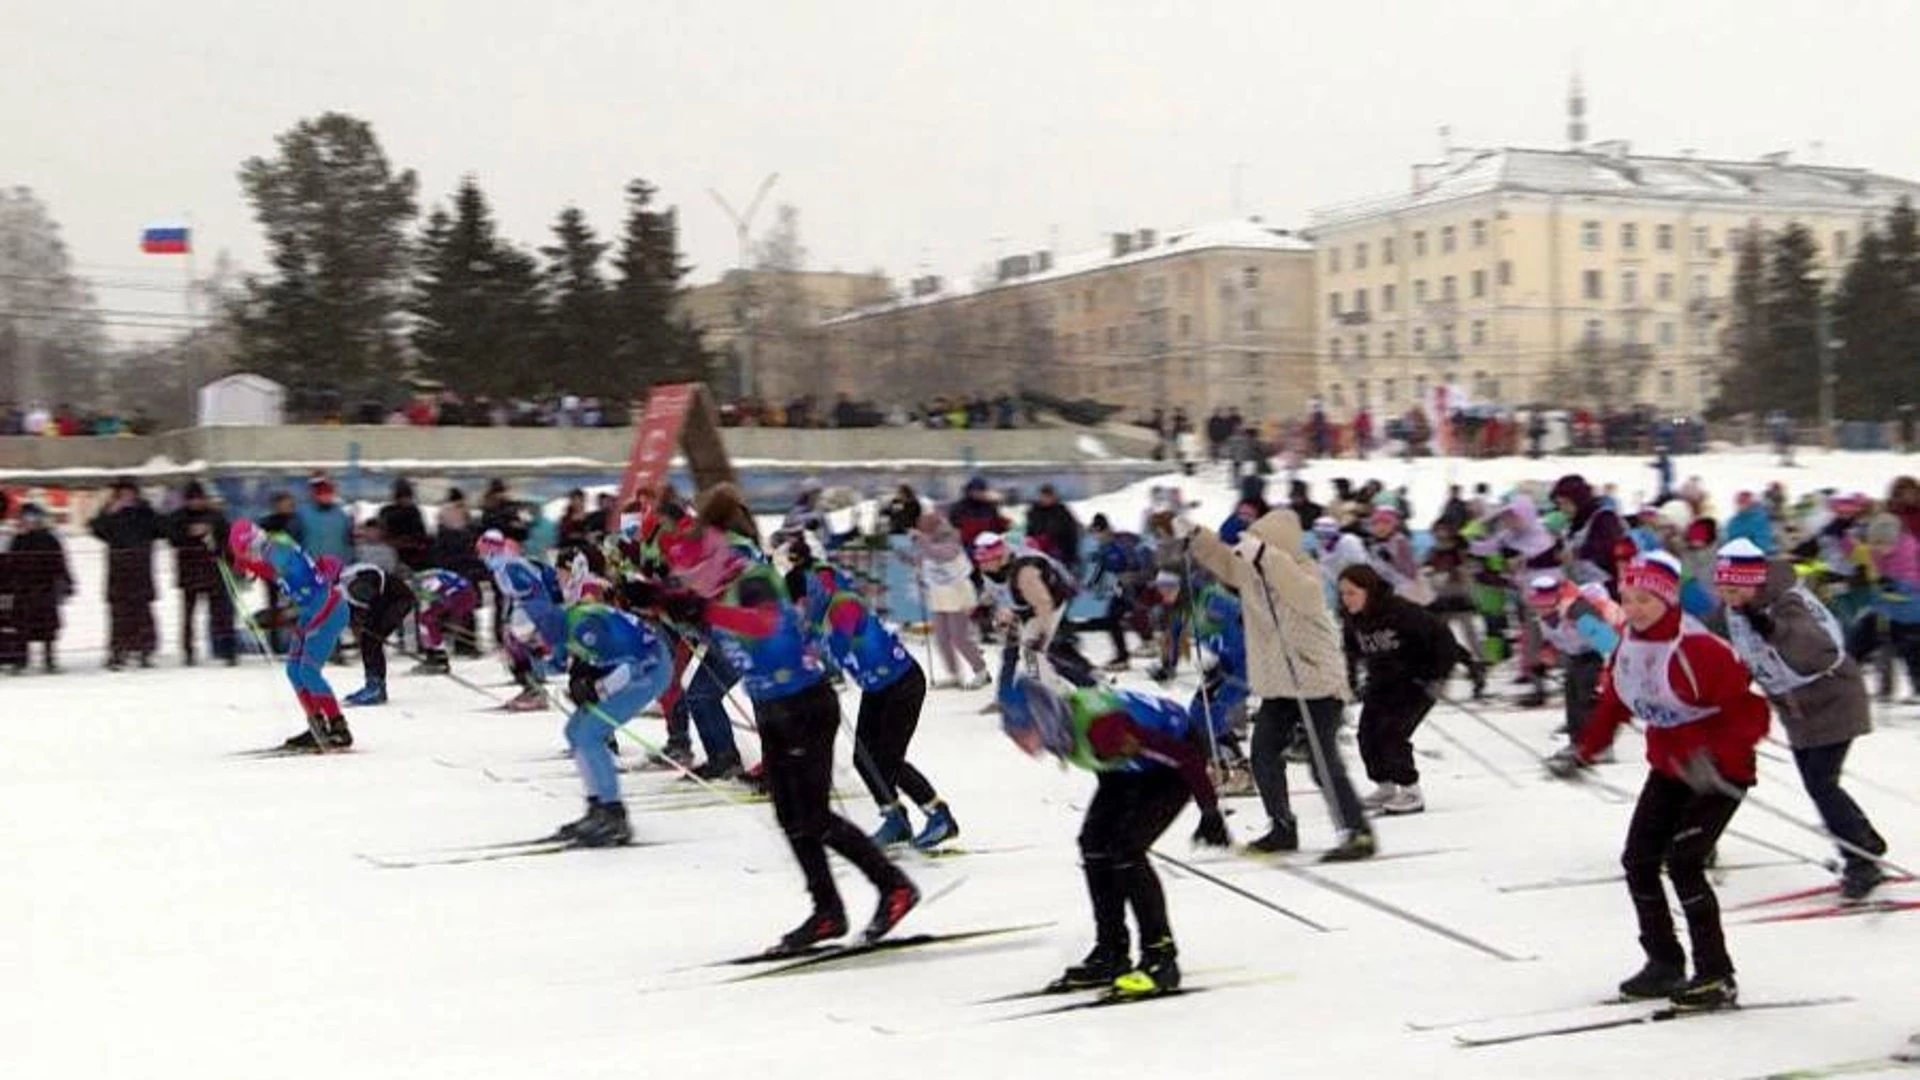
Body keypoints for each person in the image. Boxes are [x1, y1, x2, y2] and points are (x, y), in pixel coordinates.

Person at [659, 485, 918, 955]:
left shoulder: (752, 576)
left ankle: (893, 886)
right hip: (776, 707)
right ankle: (828, 912)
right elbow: (696, 609)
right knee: (789, 816)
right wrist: (654, 597)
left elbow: (766, 628)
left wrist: (703, 608)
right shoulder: (716, 579)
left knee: (813, 816)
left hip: (805, 706)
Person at [1547, 551, 1769, 1010]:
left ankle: (1715, 975)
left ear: (1668, 600)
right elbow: (1615, 703)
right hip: (1669, 767)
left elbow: (1749, 713)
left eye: (1645, 599)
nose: (1634, 608)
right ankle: (1664, 962)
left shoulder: (1698, 649)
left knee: (1685, 862)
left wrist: (1716, 758)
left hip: (1718, 774)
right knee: (1638, 860)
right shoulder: (1629, 643)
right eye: (1627, 599)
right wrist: (1583, 751)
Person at [1000, 674, 1229, 998]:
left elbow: (1184, 757)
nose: (1019, 743)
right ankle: (1111, 951)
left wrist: (1210, 812)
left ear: (1042, 718)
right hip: (1127, 766)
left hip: (1174, 763)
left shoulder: (1103, 729)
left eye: (1022, 731)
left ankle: (1161, 957)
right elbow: (1107, 763)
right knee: (1094, 844)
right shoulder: (1066, 729)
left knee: (1127, 850)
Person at [1181, 509, 1373, 861]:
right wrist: (1195, 536)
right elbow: (1223, 561)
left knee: (1321, 760)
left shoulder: (1304, 571)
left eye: (1259, 542)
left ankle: (1357, 832)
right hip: (1278, 684)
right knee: (1263, 754)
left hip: (1316, 682)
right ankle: (1281, 827)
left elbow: (1307, 595)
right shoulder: (1250, 574)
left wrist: (1267, 556)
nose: (1248, 549)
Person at [1712, 539, 1889, 901]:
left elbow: (1813, 645)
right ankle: (1864, 841)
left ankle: (1862, 861)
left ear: (1754, 581)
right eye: (1723, 589)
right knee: (1818, 783)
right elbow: (1731, 647)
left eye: (1734, 589)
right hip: (1799, 710)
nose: (1728, 597)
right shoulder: (1737, 610)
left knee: (1822, 783)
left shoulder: (1787, 601)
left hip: (1834, 699)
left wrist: (1772, 629)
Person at [790, 551, 959, 850]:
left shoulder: (843, 603)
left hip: (902, 683)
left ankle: (939, 815)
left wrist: (812, 650)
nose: (798, 609)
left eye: (799, 603)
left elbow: (839, 638)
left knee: (888, 760)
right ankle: (894, 818)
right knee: (864, 758)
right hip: (876, 687)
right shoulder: (815, 613)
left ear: (811, 594)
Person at [1335, 565, 1459, 816]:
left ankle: (1410, 790)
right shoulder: (1352, 618)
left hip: (1417, 683)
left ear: (1368, 591)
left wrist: (1436, 674)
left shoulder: (1400, 612)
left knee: (1391, 733)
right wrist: (1348, 682)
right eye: (1342, 593)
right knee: (1367, 735)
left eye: (1351, 593)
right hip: (1381, 682)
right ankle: (1385, 786)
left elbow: (1442, 638)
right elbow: (1352, 651)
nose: (1346, 599)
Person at [552, 598, 675, 847]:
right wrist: (582, 684)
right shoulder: (570, 624)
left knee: (590, 734)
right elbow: (587, 662)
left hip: (650, 669)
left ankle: (614, 814)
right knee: (575, 731)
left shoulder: (586, 627)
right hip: (631, 666)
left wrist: (597, 691)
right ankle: (597, 807)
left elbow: (628, 666)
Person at [229, 520, 355, 751]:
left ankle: (339, 729)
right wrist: (243, 562)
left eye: (248, 551)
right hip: (312, 611)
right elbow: (268, 569)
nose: (249, 556)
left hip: (329, 609)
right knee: (293, 670)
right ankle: (317, 726)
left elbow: (309, 586)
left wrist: (298, 622)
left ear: (255, 542)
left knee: (308, 671)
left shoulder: (281, 556)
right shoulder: (271, 549)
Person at [973, 531, 1095, 690]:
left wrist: (1042, 635)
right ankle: (1010, 694)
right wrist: (990, 605)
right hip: (1023, 605)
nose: (982, 565)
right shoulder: (992, 567)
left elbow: (1044, 604)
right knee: (1014, 651)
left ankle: (1078, 686)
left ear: (998, 556)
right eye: (980, 560)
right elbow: (997, 591)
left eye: (986, 560)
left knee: (1034, 654)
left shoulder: (1026, 572)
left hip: (1048, 603)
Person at [478, 529, 567, 712]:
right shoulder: (502, 567)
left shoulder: (510, 565)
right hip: (528, 609)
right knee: (516, 644)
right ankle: (533, 682)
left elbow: (528, 589)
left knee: (515, 643)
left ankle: (534, 687)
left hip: (532, 609)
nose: (482, 557)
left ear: (492, 550)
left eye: (484, 552)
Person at [1527, 574, 1623, 743]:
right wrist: (1544, 661)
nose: (1541, 610)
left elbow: (1607, 641)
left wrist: (1608, 672)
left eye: (1545, 604)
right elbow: (1556, 640)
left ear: (1556, 599)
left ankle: (1597, 744)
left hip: (1599, 654)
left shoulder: (1578, 611)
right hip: (1578, 655)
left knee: (1586, 694)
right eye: (1538, 605)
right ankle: (1578, 741)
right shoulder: (1546, 617)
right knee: (1571, 695)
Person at [909, 512, 990, 689]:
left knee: (959, 636)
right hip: (939, 594)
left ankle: (981, 670)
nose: (921, 529)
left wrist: (922, 541)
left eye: (923, 525)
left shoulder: (950, 537)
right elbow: (924, 559)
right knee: (942, 638)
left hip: (957, 593)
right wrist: (909, 559)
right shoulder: (927, 540)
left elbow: (940, 555)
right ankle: (953, 674)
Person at [89, 478, 161, 669]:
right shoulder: (111, 512)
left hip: (141, 571)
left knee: (142, 612)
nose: (126, 497)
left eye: (129, 493)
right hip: (118, 572)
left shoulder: (145, 512)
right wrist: (109, 512)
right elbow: (96, 529)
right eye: (122, 494)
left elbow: (161, 529)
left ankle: (145, 650)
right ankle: (118, 651)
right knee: (118, 614)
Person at [166, 481, 235, 666]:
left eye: (199, 499)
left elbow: (227, 540)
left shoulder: (215, 517)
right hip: (190, 574)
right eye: (192, 499)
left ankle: (227, 650)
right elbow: (172, 538)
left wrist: (225, 556)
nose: (196, 503)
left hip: (214, 572)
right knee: (188, 615)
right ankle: (188, 650)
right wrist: (189, 533)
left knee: (221, 614)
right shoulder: (178, 517)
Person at [338, 562, 418, 706]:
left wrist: (370, 625)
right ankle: (374, 685)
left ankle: (376, 688)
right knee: (368, 639)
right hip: (387, 600)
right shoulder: (344, 584)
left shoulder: (352, 581)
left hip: (398, 600)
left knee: (370, 639)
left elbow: (372, 597)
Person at [4, 503, 71, 672]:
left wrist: (67, 582)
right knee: (22, 627)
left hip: (45, 588)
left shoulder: (50, 538)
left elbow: (60, 562)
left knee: (47, 628)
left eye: (33, 518)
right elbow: (10, 565)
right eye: (25, 518)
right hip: (23, 589)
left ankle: (49, 660)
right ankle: (21, 661)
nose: (29, 522)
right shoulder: (17, 539)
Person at [1083, 514, 1154, 671]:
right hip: (1120, 586)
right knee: (1119, 617)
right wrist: (1092, 583)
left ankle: (1125, 655)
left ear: (1105, 530)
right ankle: (1142, 644)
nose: (1095, 536)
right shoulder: (1105, 546)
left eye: (1097, 532)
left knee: (1115, 618)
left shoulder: (1116, 545)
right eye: (1093, 532)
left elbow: (1125, 566)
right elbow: (1101, 568)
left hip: (1127, 585)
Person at [409, 567, 477, 675]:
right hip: (463, 594)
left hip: (459, 596)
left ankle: (438, 658)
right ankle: (435, 655)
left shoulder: (423, 580)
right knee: (427, 619)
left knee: (426, 620)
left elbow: (431, 597)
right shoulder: (428, 576)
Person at [1024, 484, 1083, 574]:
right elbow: (1030, 530)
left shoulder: (1061, 510)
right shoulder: (1035, 511)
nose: (1047, 499)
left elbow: (1072, 530)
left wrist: (1071, 552)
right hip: (1039, 547)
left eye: (1049, 496)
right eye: (1044, 496)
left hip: (1059, 546)